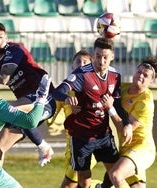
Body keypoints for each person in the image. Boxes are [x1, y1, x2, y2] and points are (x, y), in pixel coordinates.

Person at [0, 22, 56, 167]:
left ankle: (43, 146)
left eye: (2, 36)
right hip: (24, 104)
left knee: (7, 109)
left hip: (43, 98)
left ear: (6, 37)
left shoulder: (15, 49)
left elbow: (5, 78)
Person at [52, 37, 133, 188]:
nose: (101, 61)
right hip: (81, 135)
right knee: (83, 177)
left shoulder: (115, 76)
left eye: (105, 57)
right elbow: (58, 92)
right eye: (97, 56)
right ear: (93, 55)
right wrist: (67, 99)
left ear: (112, 56)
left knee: (115, 172)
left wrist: (127, 123)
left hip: (103, 134)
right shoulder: (81, 74)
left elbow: (118, 105)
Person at [103, 56, 157, 188]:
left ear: (151, 81)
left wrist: (110, 109)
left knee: (116, 175)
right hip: (126, 151)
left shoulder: (145, 102)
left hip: (142, 150)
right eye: (139, 72)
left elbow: (125, 131)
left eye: (145, 75)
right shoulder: (123, 88)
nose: (140, 76)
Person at [47, 50, 100, 188]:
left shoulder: (95, 89)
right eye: (78, 61)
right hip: (70, 147)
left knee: (68, 186)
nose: (81, 65)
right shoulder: (64, 92)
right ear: (72, 66)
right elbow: (49, 119)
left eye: (85, 62)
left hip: (86, 145)